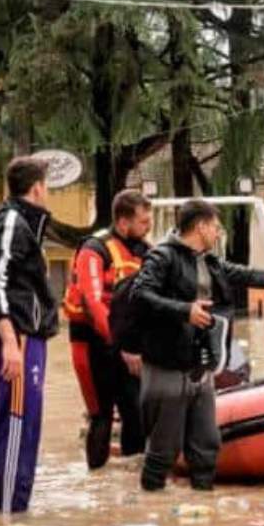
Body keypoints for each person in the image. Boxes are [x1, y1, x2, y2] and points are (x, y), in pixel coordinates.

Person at [131, 199, 264, 492]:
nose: (219, 233)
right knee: (163, 448)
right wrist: (184, 310)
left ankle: (204, 507)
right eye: (216, 227)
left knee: (206, 444)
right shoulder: (162, 257)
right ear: (201, 226)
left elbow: (248, 274)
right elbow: (140, 295)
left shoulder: (211, 262)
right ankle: (153, 509)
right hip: (166, 364)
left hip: (200, 364)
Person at [0, 156, 75, 513]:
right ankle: (8, 514)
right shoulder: (11, 223)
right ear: (37, 188)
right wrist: (7, 341)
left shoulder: (25, 224)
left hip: (26, 335)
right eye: (46, 186)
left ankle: (7, 507)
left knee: (21, 421)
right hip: (17, 336)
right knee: (16, 423)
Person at [63, 189, 153, 470]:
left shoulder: (146, 252)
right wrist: (122, 344)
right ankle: (97, 481)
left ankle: (130, 485)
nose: (148, 226)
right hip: (92, 343)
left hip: (128, 345)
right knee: (101, 416)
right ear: (124, 222)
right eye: (143, 221)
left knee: (136, 413)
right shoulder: (94, 249)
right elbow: (91, 301)